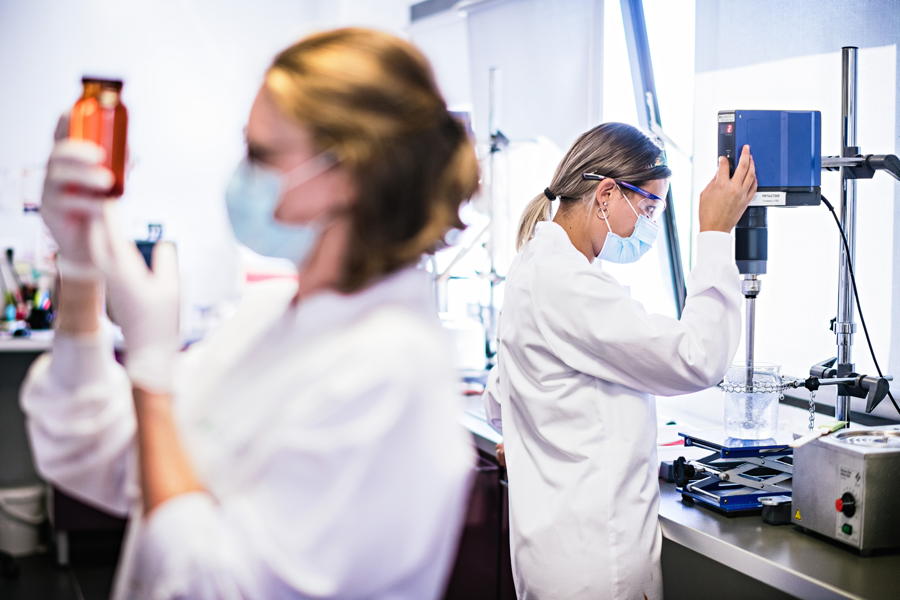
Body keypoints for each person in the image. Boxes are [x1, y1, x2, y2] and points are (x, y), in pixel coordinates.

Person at [22, 27, 479, 600]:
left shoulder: (391, 372)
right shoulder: (270, 317)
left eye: (261, 155)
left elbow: (217, 587)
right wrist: (80, 269)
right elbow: (101, 456)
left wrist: (152, 373)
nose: (242, 177)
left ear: (351, 174)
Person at [483, 122, 756, 599]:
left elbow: (498, 397)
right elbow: (697, 358)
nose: (648, 227)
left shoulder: (537, 266)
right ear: (606, 194)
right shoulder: (569, 285)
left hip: (555, 555)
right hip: (595, 562)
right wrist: (715, 234)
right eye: (648, 209)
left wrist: (532, 438)